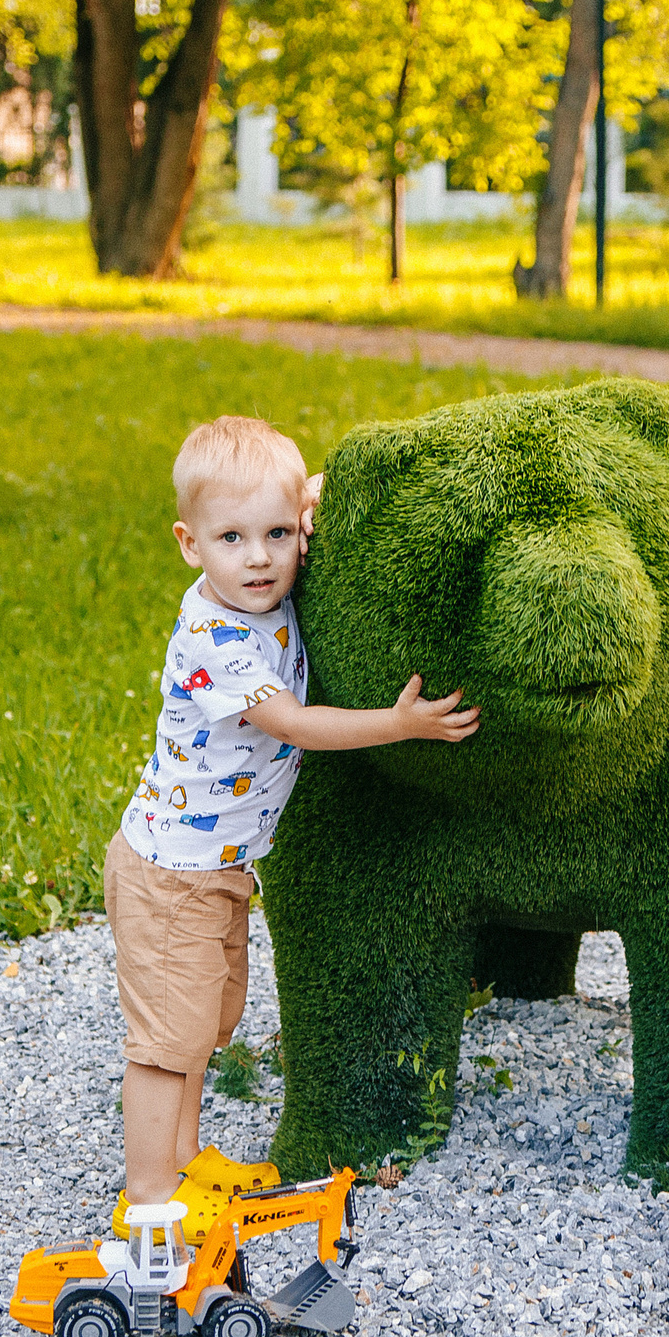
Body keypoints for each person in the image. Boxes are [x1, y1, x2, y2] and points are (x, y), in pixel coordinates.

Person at [105, 416, 476, 1236]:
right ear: (188, 543)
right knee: (167, 1042)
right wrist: (399, 722)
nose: (263, 557)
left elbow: (306, 494)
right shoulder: (215, 638)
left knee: (206, 1024)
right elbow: (298, 724)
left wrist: (309, 494)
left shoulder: (256, 581)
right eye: (233, 537)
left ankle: (186, 1161)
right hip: (172, 874)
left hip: (219, 868)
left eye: (278, 534)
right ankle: (146, 1197)